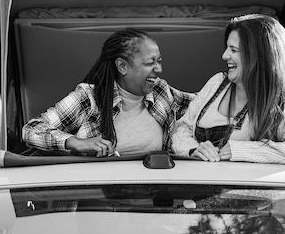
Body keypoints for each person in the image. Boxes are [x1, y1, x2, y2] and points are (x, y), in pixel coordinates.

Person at [172, 14, 285, 164]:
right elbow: (182, 127)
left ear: (257, 56)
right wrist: (193, 149)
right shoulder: (216, 83)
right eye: (227, 48)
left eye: (233, 50)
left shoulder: (281, 106)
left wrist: (244, 150)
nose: (225, 56)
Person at [22, 28, 195, 157]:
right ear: (122, 66)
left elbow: (204, 104)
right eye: (150, 63)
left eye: (159, 61)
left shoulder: (162, 92)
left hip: (155, 202)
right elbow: (31, 129)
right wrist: (76, 143)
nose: (159, 69)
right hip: (97, 201)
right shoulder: (87, 98)